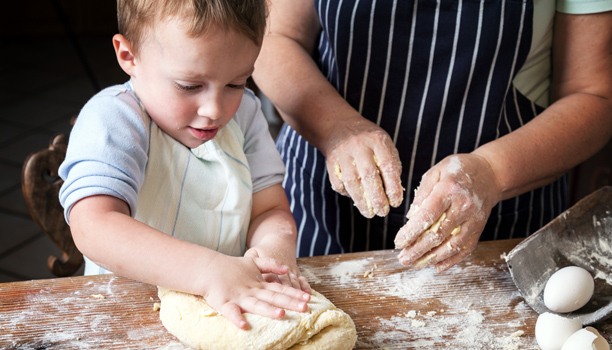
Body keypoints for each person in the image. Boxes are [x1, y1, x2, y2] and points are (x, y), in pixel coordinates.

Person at [252, 1, 612, 271]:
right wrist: (336, 128)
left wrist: (491, 171)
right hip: (324, 204)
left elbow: (594, 93)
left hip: (501, 219)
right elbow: (275, 36)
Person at [58, 0, 311, 330]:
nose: (214, 109)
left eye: (236, 83)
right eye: (190, 86)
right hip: (127, 315)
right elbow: (94, 226)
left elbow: (268, 210)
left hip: (227, 311)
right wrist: (209, 272)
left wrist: (273, 253)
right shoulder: (114, 118)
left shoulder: (246, 115)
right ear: (128, 56)